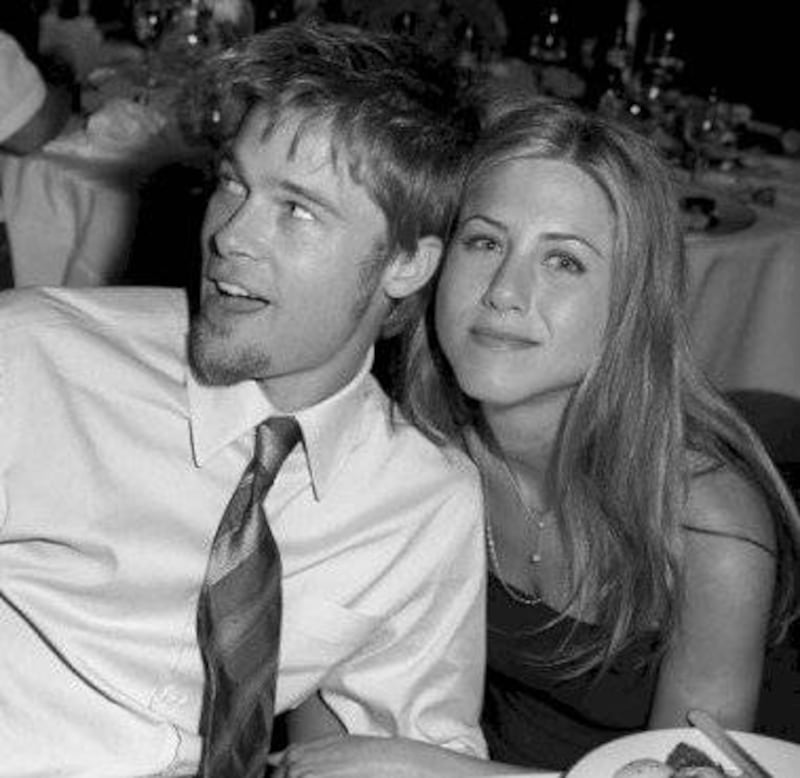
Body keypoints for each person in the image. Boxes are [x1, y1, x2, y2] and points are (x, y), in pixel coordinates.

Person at [0, 21, 488, 777]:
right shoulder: (34, 361)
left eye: (297, 209)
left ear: (406, 262)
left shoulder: (419, 502)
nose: (230, 235)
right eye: (233, 183)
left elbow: (414, 756)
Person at [268, 97, 800, 776]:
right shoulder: (406, 452)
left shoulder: (709, 527)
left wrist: (435, 771)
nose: (504, 291)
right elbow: (330, 729)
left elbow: (687, 770)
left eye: (564, 262)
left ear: (631, 307)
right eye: (485, 242)